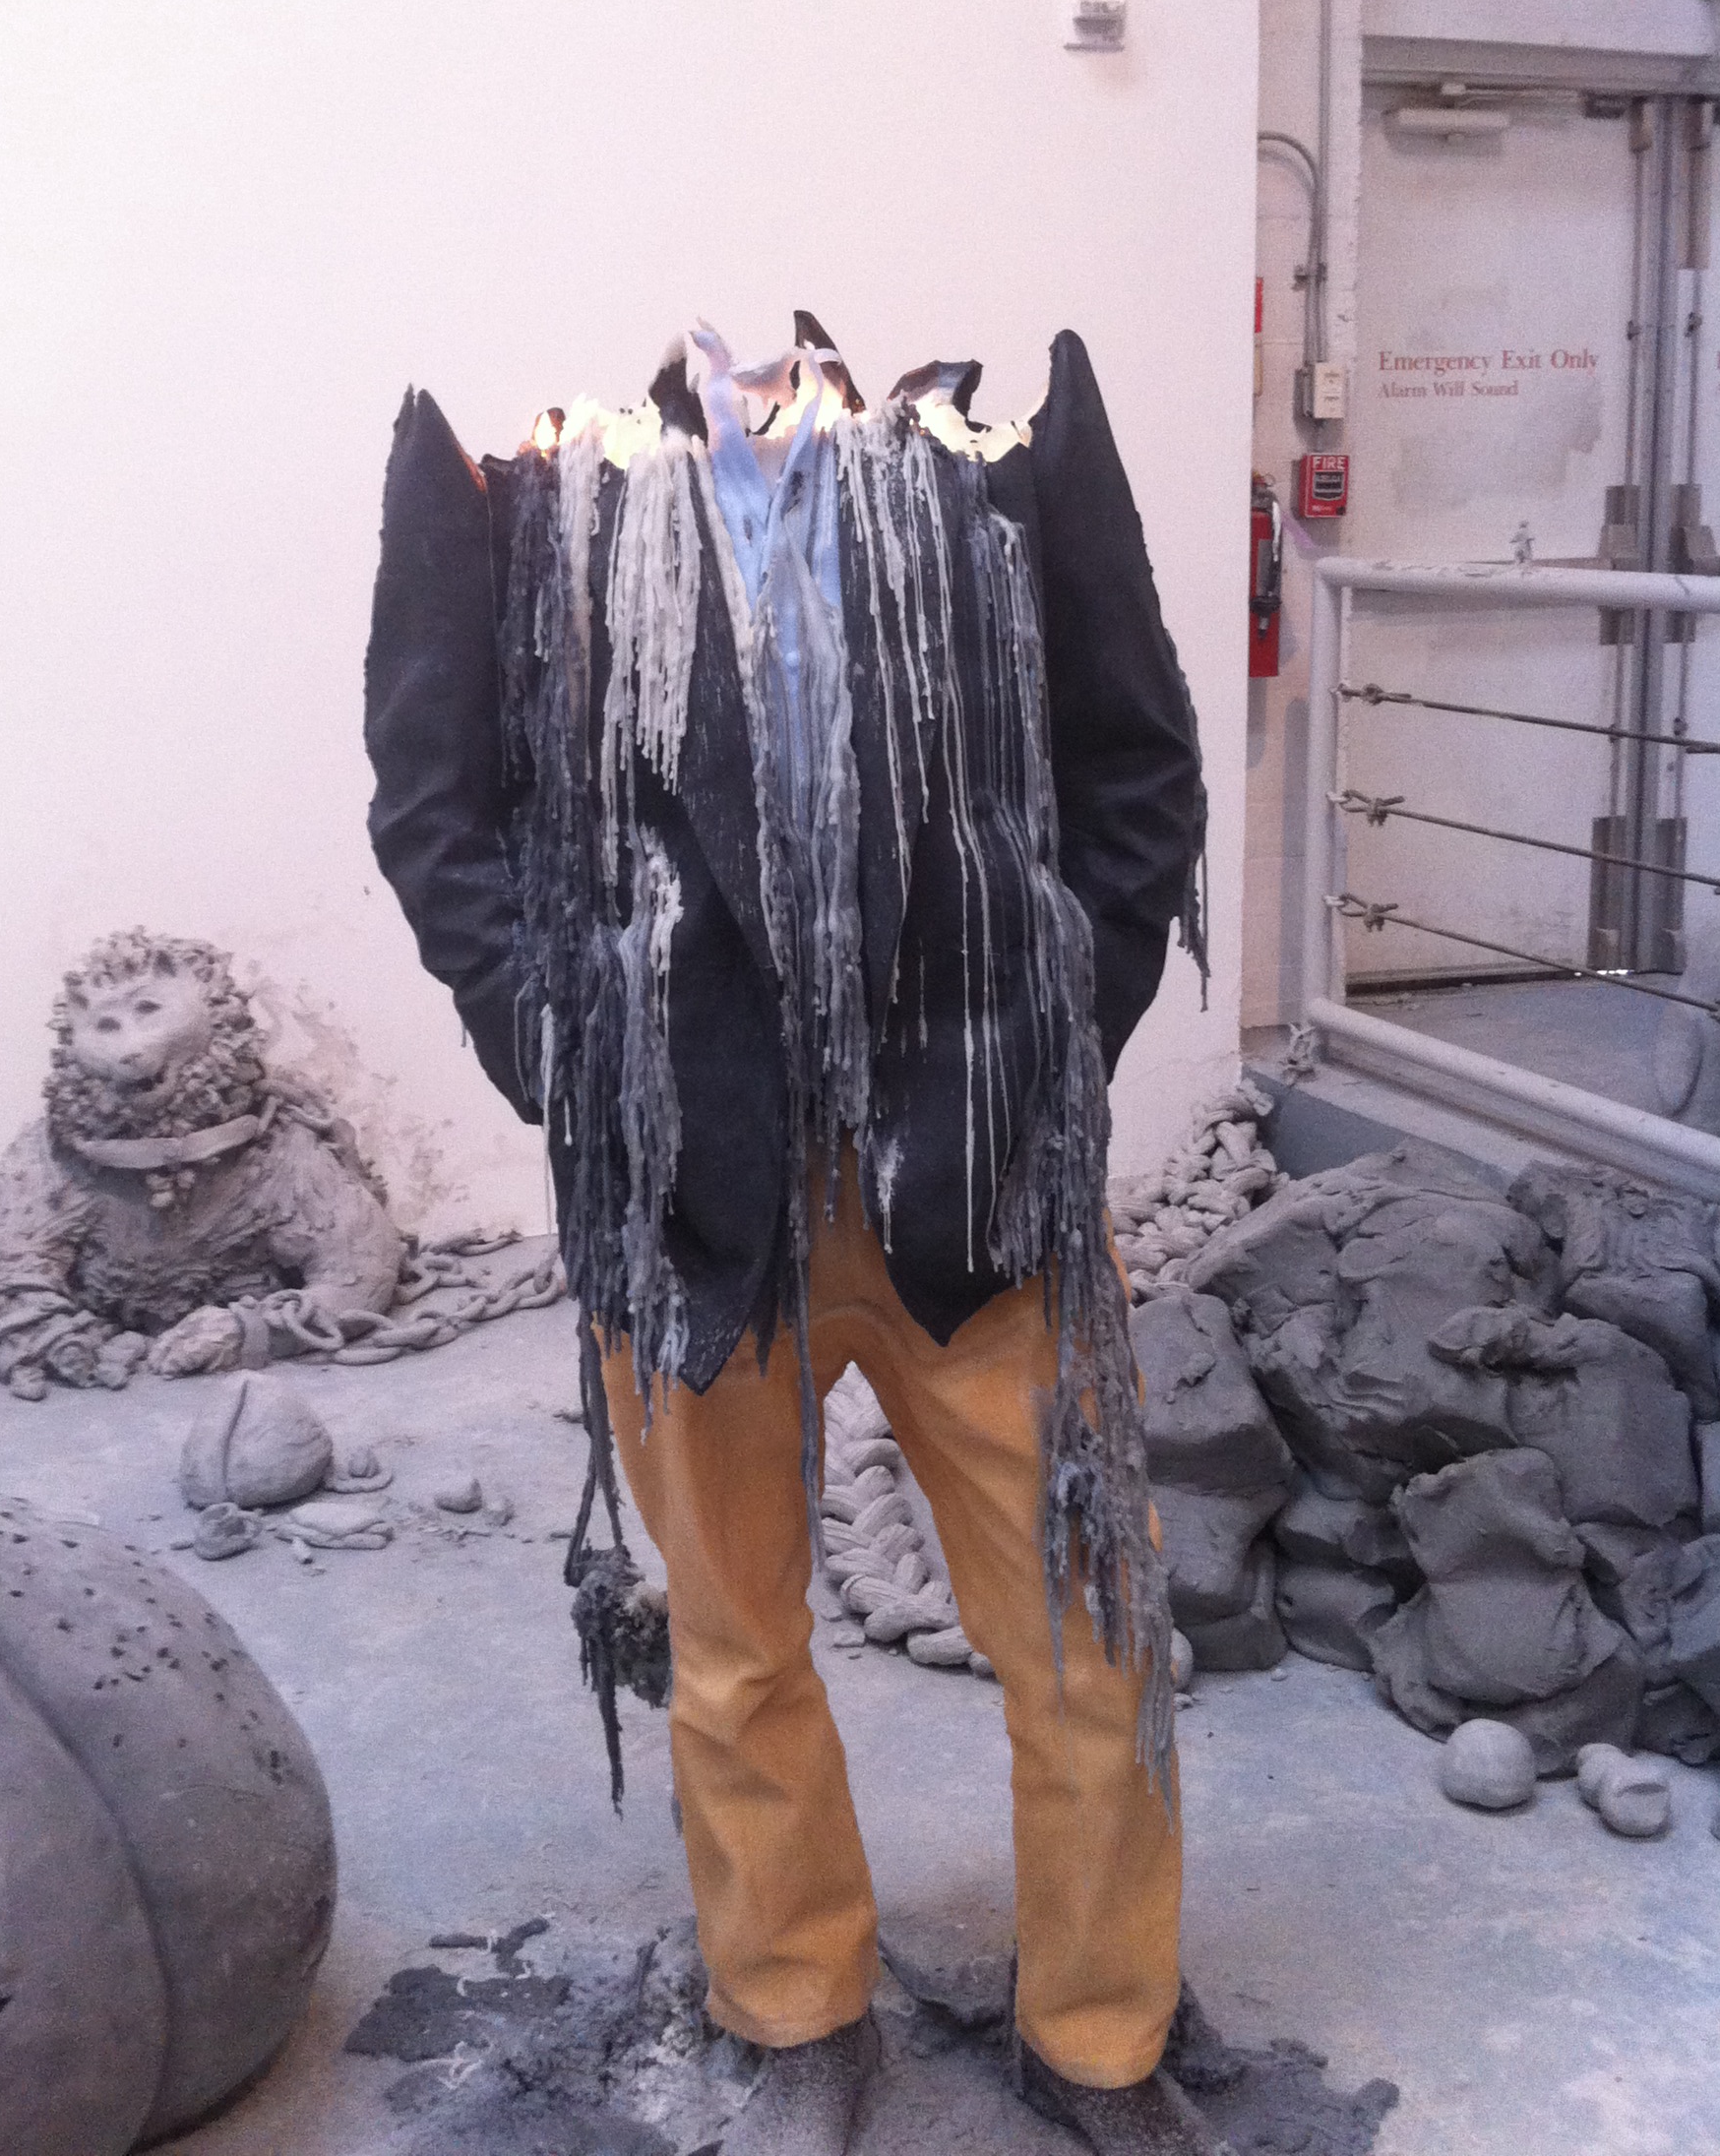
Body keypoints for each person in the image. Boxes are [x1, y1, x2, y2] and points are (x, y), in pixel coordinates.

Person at [364, 316, 1211, 2155]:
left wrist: (1061, 1038)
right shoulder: (544, 521)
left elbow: (1138, 767)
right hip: (688, 1193)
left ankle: (1101, 2040)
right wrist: (565, 1054)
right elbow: (435, 808)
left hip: (982, 1176)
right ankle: (796, 2013)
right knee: (736, 1641)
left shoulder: (988, 494)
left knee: (1092, 1632)